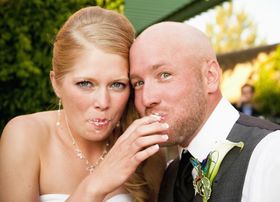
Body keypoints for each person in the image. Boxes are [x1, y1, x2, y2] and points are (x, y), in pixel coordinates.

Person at [129, 22, 280, 202]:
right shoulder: (171, 173)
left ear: (210, 77)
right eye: (138, 83)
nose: (146, 98)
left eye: (164, 75)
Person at [0, 7, 169, 202]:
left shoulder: (145, 147)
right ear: (56, 83)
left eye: (117, 85)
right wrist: (96, 185)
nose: (103, 103)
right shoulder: (26, 135)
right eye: (85, 84)